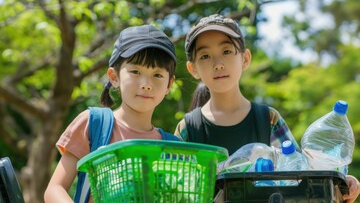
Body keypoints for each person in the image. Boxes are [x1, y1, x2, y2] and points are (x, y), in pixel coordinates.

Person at [174, 14, 360, 203]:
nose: (218, 64)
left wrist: (341, 183)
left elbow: (300, 177)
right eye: (205, 56)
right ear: (193, 68)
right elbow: (175, 189)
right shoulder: (189, 128)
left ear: (245, 58)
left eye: (227, 51)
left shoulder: (267, 119)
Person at [44, 25, 180, 203]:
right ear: (114, 77)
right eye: (135, 72)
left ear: (169, 85)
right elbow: (55, 189)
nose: (146, 83)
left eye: (157, 75)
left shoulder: (175, 148)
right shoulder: (94, 124)